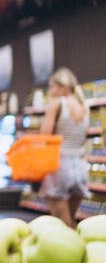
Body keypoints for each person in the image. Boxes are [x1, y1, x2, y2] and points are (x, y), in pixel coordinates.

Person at [39, 67, 91, 227]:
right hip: (80, 166)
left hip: (59, 165)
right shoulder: (83, 106)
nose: (50, 91)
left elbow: (45, 136)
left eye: (52, 86)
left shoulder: (56, 104)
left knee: (62, 224)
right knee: (71, 220)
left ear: (63, 87)